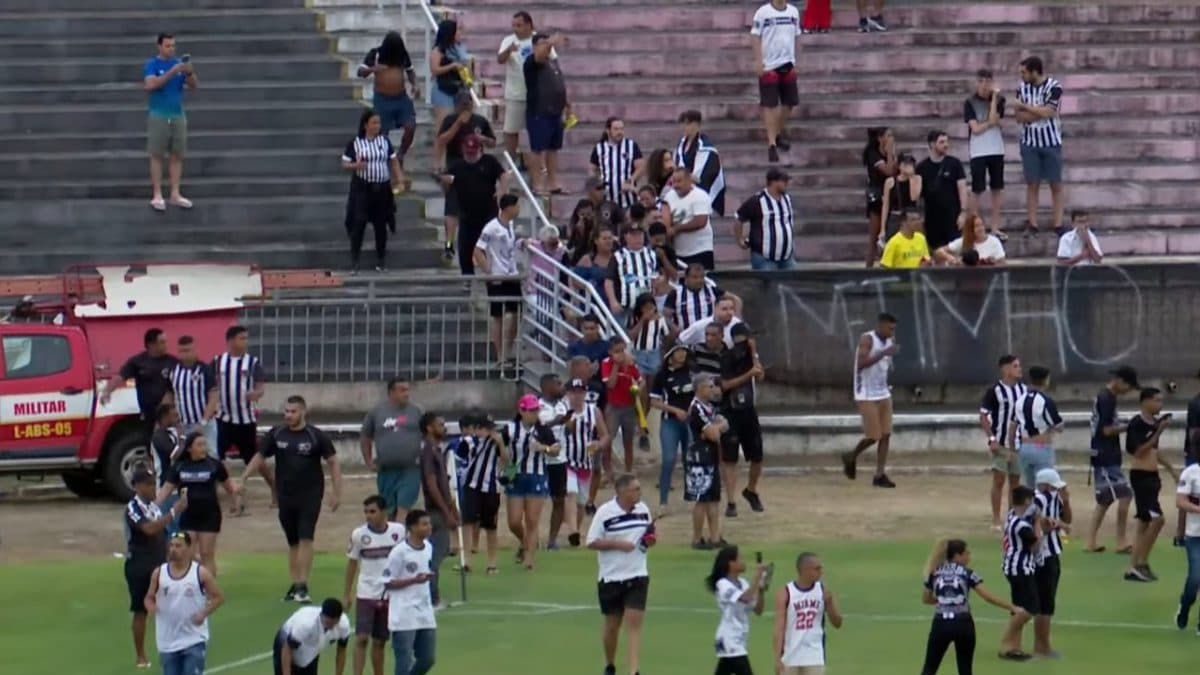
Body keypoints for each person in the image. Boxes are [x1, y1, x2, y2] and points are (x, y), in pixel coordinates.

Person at [245, 395, 342, 603]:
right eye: (286, 411)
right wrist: (242, 479)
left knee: (306, 537)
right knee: (293, 542)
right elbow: (259, 457)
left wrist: (337, 491)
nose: (288, 415)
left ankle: (303, 584)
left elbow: (333, 461)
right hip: (285, 495)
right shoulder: (277, 433)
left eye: (293, 411)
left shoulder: (315, 436)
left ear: (303, 412)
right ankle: (296, 583)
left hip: (310, 494)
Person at [919, 539, 1023, 675]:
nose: (969, 556)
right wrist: (1012, 607)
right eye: (966, 553)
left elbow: (926, 599)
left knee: (929, 669)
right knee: (965, 669)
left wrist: (945, 601)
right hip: (963, 623)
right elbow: (987, 597)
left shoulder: (934, 573)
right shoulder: (967, 573)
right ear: (956, 556)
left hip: (941, 624)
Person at [587, 474, 655, 675]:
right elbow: (591, 542)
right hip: (611, 577)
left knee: (634, 623)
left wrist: (650, 540)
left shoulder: (643, 510)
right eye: (636, 489)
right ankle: (610, 664)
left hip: (637, 575)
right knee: (612, 626)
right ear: (623, 492)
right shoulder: (605, 512)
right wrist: (618, 545)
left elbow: (649, 533)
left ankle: (634, 671)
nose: (639, 492)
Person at [158, 432, 239, 575]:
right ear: (189, 448)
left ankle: (209, 591)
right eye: (199, 445)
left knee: (207, 553)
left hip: (210, 515)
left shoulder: (214, 465)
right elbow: (165, 490)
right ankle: (189, 586)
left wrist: (236, 502)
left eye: (204, 445)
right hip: (188, 515)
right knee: (186, 553)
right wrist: (152, 507)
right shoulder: (179, 466)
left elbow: (229, 487)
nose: (204, 448)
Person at [145, 532, 224, 675]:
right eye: (171, 546)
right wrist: (150, 606)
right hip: (167, 642)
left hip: (193, 639)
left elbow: (218, 597)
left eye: (178, 546)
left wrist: (203, 613)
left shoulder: (200, 573)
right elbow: (149, 597)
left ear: (189, 548)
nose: (173, 550)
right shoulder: (159, 573)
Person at [343, 495, 405, 675]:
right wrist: (347, 594)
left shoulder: (398, 532)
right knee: (362, 638)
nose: (368, 516)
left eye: (372, 511)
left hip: (389, 594)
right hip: (366, 593)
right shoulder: (359, 535)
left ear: (384, 512)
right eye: (366, 512)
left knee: (380, 641)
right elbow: (352, 564)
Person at [213, 325, 274, 501]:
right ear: (231, 341)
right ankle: (229, 493)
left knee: (254, 458)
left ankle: (274, 486)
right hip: (223, 419)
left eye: (246, 338)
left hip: (245, 420)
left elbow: (260, 386)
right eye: (242, 338)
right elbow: (210, 385)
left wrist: (256, 393)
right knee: (216, 456)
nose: (246, 342)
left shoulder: (252, 363)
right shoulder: (218, 362)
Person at [125, 468, 178, 669]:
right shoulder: (133, 508)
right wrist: (174, 512)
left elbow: (163, 536)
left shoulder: (155, 509)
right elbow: (148, 529)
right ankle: (140, 654)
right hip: (139, 565)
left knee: (170, 605)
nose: (152, 487)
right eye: (148, 484)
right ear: (137, 487)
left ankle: (171, 647)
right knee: (141, 610)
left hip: (160, 564)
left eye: (153, 483)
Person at [1124, 387, 1179, 582]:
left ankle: (1133, 567)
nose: (1160, 404)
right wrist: (1158, 432)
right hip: (1141, 477)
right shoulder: (1137, 424)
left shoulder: (1154, 424)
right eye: (1156, 400)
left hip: (1152, 476)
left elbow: (1154, 451)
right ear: (1145, 402)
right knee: (1158, 520)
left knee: (1144, 522)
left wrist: (1171, 469)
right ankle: (1141, 562)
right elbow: (1138, 451)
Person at [1085, 365, 1139, 553]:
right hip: (1105, 454)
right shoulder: (1106, 398)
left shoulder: (1107, 397)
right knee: (1125, 494)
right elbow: (1106, 430)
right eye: (1129, 386)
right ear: (1120, 381)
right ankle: (1121, 541)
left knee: (1106, 499)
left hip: (1104, 453)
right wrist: (1130, 426)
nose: (1128, 391)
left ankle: (1091, 541)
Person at [342, 108, 403, 273]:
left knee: (380, 224)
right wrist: (356, 165)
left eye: (379, 123)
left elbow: (393, 161)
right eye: (374, 123)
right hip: (363, 187)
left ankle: (381, 260)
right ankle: (355, 260)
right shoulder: (355, 143)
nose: (377, 126)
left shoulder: (384, 141)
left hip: (382, 187)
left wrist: (400, 180)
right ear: (365, 125)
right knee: (359, 222)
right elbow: (345, 164)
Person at [842, 313, 899, 488]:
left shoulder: (889, 341)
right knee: (874, 436)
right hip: (866, 393)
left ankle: (879, 474)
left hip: (883, 392)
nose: (892, 332)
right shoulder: (867, 339)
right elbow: (861, 363)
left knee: (886, 434)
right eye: (889, 328)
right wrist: (883, 354)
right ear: (881, 325)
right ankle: (851, 456)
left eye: (894, 329)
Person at [143, 33, 197, 211]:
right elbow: (150, 85)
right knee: (157, 154)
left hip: (177, 114)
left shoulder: (178, 65)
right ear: (159, 46)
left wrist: (189, 73)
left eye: (173, 46)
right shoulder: (153, 64)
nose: (171, 49)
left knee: (177, 155)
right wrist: (171, 72)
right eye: (167, 46)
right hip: (159, 114)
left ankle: (175, 192)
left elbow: (194, 86)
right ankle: (157, 194)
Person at [442, 133, 509, 276]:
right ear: (463, 149)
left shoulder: (489, 161)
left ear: (480, 149)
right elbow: (447, 188)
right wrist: (445, 182)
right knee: (465, 248)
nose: (471, 155)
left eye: (474, 151)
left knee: (492, 248)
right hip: (467, 215)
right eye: (468, 152)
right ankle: (467, 278)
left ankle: (494, 274)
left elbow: (504, 175)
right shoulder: (457, 166)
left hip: (488, 214)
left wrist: (502, 191)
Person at [507, 394, 559, 570]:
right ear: (521, 411)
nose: (535, 413)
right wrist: (506, 470)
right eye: (531, 410)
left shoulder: (542, 429)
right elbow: (501, 450)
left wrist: (543, 448)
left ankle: (530, 557)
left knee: (532, 519)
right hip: (516, 476)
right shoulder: (510, 429)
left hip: (536, 475)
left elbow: (556, 449)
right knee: (513, 521)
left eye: (536, 410)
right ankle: (525, 542)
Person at [1014, 56, 1065, 235]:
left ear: (1035, 71)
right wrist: (1039, 112)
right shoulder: (1021, 88)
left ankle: (1057, 224)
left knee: (1056, 184)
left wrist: (1026, 107)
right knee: (1032, 183)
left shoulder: (1055, 87)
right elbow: (1019, 117)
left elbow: (1050, 112)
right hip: (1030, 142)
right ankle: (1032, 223)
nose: (1022, 76)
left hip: (1051, 142)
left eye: (1024, 72)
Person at [361, 378, 424, 522]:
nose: (407, 394)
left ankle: (400, 536)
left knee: (404, 507)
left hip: (410, 469)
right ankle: (392, 539)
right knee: (389, 510)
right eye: (402, 390)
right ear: (391, 392)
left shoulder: (417, 411)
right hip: (386, 470)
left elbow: (429, 432)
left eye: (408, 390)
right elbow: (365, 436)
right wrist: (368, 461)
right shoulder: (376, 412)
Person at [474, 193, 523, 375]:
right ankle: (500, 356)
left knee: (515, 314)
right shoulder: (491, 228)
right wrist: (488, 271)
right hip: (498, 276)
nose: (519, 210)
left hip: (512, 275)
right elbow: (478, 250)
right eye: (517, 206)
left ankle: (507, 353)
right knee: (499, 316)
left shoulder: (510, 225)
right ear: (509, 207)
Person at [720, 323, 766, 518]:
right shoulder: (727, 357)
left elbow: (761, 376)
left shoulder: (751, 357)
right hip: (730, 410)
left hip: (748, 410)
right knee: (730, 458)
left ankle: (751, 489)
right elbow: (725, 385)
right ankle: (731, 501)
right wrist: (748, 374)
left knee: (757, 455)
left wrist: (754, 354)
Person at [385, 510, 437, 675]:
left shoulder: (428, 546)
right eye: (424, 524)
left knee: (428, 659)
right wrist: (414, 580)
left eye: (429, 523)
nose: (429, 527)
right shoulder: (399, 552)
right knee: (404, 661)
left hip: (425, 613)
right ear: (412, 528)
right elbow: (387, 582)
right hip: (403, 615)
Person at [773, 552, 843, 675]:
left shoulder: (823, 590)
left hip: (814, 656)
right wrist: (778, 658)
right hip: (790, 657)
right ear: (805, 570)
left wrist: (830, 603)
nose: (821, 572)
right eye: (817, 569)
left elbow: (838, 623)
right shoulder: (786, 592)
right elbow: (779, 628)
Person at [705, 545, 769, 675]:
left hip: (740, 639)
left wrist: (761, 590)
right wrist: (757, 576)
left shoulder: (743, 583)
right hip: (729, 639)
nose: (744, 562)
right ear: (731, 563)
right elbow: (745, 598)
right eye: (740, 558)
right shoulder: (723, 584)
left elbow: (758, 610)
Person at [979, 355, 1026, 531]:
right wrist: (991, 439)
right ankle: (996, 519)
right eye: (1015, 366)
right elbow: (983, 415)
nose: (1019, 369)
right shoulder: (994, 391)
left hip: (1018, 444)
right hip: (1001, 442)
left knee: (1015, 482)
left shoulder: (1023, 390)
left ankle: (1012, 517)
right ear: (1005, 369)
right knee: (999, 480)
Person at [104, 327, 179, 437]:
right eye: (162, 342)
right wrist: (107, 391)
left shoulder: (173, 362)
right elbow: (120, 377)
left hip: (168, 412)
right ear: (151, 345)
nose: (166, 345)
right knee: (150, 443)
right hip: (147, 413)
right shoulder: (138, 362)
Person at [750, 0, 801, 164]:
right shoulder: (763, 12)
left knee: (790, 102)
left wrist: (797, 60)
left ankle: (777, 133)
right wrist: (759, 61)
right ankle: (771, 143)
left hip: (788, 62)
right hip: (769, 64)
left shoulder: (793, 12)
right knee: (770, 105)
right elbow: (755, 37)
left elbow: (797, 36)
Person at [418, 411, 459, 606]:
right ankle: (432, 597)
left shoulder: (436, 450)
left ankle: (433, 595)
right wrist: (445, 511)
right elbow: (432, 484)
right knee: (435, 556)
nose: (445, 428)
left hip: (441, 508)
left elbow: (443, 484)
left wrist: (451, 506)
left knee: (436, 555)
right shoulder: (428, 452)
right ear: (429, 428)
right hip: (435, 511)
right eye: (440, 424)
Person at [358, 31, 419, 160]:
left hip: (401, 99)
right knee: (382, 133)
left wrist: (415, 85)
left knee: (410, 126)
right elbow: (360, 72)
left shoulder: (402, 55)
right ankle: (385, 159)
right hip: (382, 100)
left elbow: (410, 71)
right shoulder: (376, 54)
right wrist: (372, 69)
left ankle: (401, 154)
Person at [461, 413, 508, 574]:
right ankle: (466, 559)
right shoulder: (470, 441)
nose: (488, 431)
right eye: (483, 428)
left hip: (491, 487)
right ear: (476, 429)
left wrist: (500, 444)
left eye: (489, 428)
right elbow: (466, 455)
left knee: (490, 525)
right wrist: (481, 439)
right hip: (472, 486)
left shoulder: (496, 443)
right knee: (468, 522)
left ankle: (492, 562)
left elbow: (505, 462)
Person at [524, 32, 570, 195]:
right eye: (542, 44)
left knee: (553, 148)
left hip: (555, 111)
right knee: (538, 149)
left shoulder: (553, 62)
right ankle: (538, 184)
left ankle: (552, 182)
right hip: (539, 111)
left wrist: (566, 105)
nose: (547, 47)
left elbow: (559, 85)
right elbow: (539, 56)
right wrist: (550, 42)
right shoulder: (531, 62)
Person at [564, 377, 610, 538]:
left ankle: (576, 529)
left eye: (580, 392)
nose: (577, 396)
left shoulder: (594, 411)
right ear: (568, 394)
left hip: (585, 460)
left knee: (581, 502)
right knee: (570, 492)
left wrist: (598, 445)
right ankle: (573, 530)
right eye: (573, 392)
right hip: (566, 459)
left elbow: (605, 436)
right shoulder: (563, 410)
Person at [1031, 469, 1070, 658]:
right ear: (1045, 486)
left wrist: (1067, 502)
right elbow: (1033, 526)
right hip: (1042, 555)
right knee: (1045, 603)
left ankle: (1042, 644)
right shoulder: (1038, 500)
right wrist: (1054, 525)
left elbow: (1068, 519)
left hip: (1052, 553)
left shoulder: (1055, 499)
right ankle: (1042, 646)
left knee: (1047, 602)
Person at [497, 11, 547, 159]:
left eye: (519, 25)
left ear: (528, 25)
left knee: (538, 130)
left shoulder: (540, 40)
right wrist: (508, 50)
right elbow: (500, 59)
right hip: (515, 94)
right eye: (513, 25)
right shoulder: (508, 40)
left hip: (538, 94)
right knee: (511, 130)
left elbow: (552, 59)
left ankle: (538, 165)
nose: (515, 28)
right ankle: (511, 162)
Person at [650, 345, 694, 513]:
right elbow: (654, 401)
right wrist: (675, 410)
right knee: (668, 460)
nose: (682, 354)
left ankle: (691, 496)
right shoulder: (662, 376)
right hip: (670, 422)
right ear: (670, 354)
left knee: (690, 459)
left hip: (691, 421)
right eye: (678, 351)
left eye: (684, 351)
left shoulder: (692, 371)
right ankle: (663, 501)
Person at [964, 68, 1007, 237]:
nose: (984, 85)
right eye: (981, 81)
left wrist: (994, 97)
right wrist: (989, 123)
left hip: (996, 148)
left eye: (987, 82)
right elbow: (975, 129)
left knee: (997, 188)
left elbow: (996, 119)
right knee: (977, 188)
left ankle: (995, 227)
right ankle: (975, 226)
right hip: (978, 150)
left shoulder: (1000, 99)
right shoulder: (970, 102)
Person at [687, 374, 727, 549]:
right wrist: (715, 428)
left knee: (713, 498)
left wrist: (715, 428)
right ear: (699, 389)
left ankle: (714, 536)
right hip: (698, 457)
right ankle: (697, 538)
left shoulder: (709, 407)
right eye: (709, 386)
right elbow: (715, 432)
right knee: (701, 498)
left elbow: (724, 425)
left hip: (710, 454)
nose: (713, 389)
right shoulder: (696, 409)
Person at [999, 486, 1038, 661]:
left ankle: (1015, 646)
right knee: (1030, 608)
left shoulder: (1011, 516)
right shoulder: (1022, 526)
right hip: (1020, 568)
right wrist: (1038, 525)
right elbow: (1035, 546)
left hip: (1012, 566)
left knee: (1019, 606)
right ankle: (1007, 642)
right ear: (1028, 501)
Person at [917, 130, 970, 252]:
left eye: (946, 141)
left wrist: (963, 212)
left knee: (954, 251)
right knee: (935, 252)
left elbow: (962, 188)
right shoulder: (922, 167)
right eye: (941, 142)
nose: (946, 145)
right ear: (931, 144)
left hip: (953, 218)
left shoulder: (954, 163)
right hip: (932, 219)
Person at [735, 167, 796, 270]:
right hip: (765, 259)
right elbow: (739, 218)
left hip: (787, 258)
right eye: (784, 180)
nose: (787, 183)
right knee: (770, 284)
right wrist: (740, 240)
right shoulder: (757, 201)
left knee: (792, 284)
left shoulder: (787, 199)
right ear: (773, 182)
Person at [1013, 366, 1063, 488]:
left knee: (1030, 487)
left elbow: (1013, 425)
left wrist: (1012, 449)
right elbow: (1059, 426)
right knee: (1046, 485)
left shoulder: (1020, 400)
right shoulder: (1046, 401)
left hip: (1024, 447)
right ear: (1045, 380)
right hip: (1041, 446)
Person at [430, 19, 471, 161]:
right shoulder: (438, 51)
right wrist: (452, 66)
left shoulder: (459, 49)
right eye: (457, 31)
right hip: (442, 90)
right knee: (443, 127)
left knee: (460, 126)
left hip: (458, 89)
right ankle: (438, 162)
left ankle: (454, 159)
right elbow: (435, 70)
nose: (460, 33)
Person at [274, 598, 351, 675]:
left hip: (312, 649)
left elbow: (342, 650)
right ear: (322, 615)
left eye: (333, 623)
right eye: (327, 622)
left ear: (338, 619)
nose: (330, 626)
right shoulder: (306, 624)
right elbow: (287, 650)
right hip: (286, 643)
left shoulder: (343, 625)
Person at [602, 338, 645, 475]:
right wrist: (616, 366)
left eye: (623, 350)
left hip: (629, 406)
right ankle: (608, 470)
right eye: (617, 351)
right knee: (608, 439)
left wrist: (638, 388)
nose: (621, 354)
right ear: (610, 352)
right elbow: (611, 385)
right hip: (613, 407)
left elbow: (641, 381)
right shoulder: (607, 363)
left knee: (628, 440)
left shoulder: (631, 364)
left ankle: (628, 469)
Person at [538, 375, 571, 551]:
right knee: (534, 502)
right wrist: (556, 421)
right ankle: (530, 539)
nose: (562, 387)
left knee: (559, 500)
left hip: (559, 460)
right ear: (548, 386)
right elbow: (536, 429)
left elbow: (568, 431)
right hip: (540, 461)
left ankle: (552, 540)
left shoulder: (563, 405)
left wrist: (568, 423)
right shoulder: (536, 405)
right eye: (558, 384)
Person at [169, 335, 218, 452]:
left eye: (188, 350)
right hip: (183, 424)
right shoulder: (174, 370)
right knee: (185, 456)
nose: (185, 354)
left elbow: (214, 397)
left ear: (196, 350)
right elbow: (171, 396)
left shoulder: (204, 370)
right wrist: (175, 421)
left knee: (210, 455)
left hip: (204, 424)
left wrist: (203, 423)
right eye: (182, 351)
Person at [674, 110, 726, 217]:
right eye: (683, 123)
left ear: (697, 124)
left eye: (688, 123)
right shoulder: (682, 143)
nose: (684, 127)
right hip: (685, 189)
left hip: (702, 192)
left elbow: (699, 178)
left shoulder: (706, 148)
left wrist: (678, 173)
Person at [591, 117, 645, 209]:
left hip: (628, 199)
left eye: (621, 129)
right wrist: (599, 184)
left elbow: (641, 167)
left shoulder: (631, 146)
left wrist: (631, 180)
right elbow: (592, 169)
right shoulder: (599, 148)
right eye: (616, 129)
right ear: (608, 130)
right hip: (607, 199)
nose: (620, 132)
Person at [862, 126, 897, 266]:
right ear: (880, 138)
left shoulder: (890, 153)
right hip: (876, 197)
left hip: (890, 196)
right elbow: (888, 171)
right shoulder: (873, 154)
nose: (891, 139)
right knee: (874, 237)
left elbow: (895, 170)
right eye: (888, 136)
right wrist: (889, 154)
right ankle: (868, 269)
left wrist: (892, 154)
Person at [1176, 456, 1200, 631]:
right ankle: (1184, 606)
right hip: (1195, 535)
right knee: (1195, 578)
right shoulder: (1191, 473)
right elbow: (1180, 501)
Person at [879, 153, 922, 243]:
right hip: (895, 218)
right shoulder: (890, 182)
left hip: (910, 218)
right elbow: (885, 205)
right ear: (899, 166)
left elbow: (914, 197)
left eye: (910, 164)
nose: (908, 167)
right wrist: (882, 229)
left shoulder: (917, 179)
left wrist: (911, 177)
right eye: (905, 164)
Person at [935, 214, 1006, 266]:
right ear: (970, 230)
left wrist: (992, 262)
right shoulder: (963, 241)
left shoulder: (994, 241)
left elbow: (1002, 262)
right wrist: (952, 259)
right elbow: (939, 252)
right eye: (977, 226)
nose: (980, 228)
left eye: (981, 225)